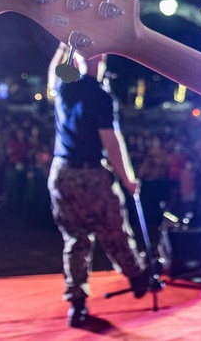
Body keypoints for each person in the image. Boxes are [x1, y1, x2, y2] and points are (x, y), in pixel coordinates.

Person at [46, 43, 149, 327]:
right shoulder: (101, 96)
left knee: (75, 239)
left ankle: (77, 302)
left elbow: (53, 74)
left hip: (62, 173)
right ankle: (137, 276)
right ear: (101, 57)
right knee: (113, 228)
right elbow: (111, 143)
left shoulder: (66, 87)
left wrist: (62, 46)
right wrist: (127, 179)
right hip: (91, 173)